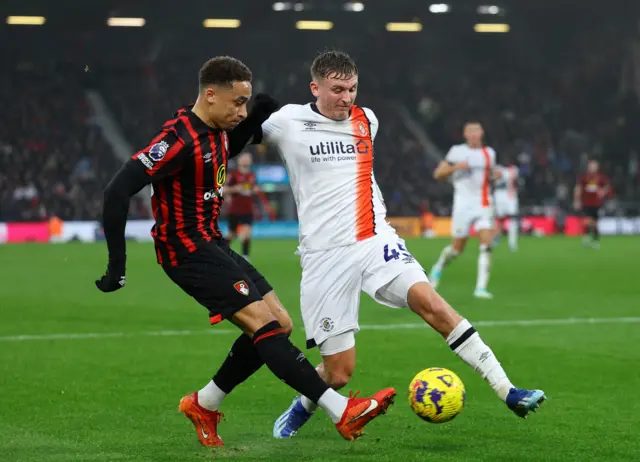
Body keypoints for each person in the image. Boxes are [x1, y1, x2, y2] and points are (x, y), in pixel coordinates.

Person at [94, 56, 395, 447]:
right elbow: (117, 190)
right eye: (237, 103)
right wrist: (117, 265)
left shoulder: (217, 127)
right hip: (185, 250)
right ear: (210, 94)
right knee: (264, 326)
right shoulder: (177, 138)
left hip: (211, 242)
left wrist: (254, 119)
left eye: (245, 103)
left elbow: (225, 149)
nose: (241, 111)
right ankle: (341, 410)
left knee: (281, 324)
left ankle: (204, 403)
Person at [256, 50, 545, 440]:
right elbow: (240, 130)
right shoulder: (287, 121)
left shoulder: (366, 120)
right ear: (316, 87)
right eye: (337, 90)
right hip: (324, 256)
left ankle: (508, 390)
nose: (346, 98)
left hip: (376, 240)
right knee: (339, 373)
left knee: (433, 304)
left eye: (352, 89)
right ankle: (304, 403)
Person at [429, 121, 497, 299]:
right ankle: (439, 266)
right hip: (463, 205)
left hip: (484, 204)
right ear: (465, 134)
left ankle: (480, 288)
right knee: (457, 249)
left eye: (477, 131)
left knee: (487, 245)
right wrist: (456, 167)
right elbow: (438, 174)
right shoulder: (457, 152)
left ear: (482, 133)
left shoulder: (489, 153)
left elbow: (489, 177)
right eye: (470, 131)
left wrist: (495, 175)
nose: (474, 134)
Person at [225, 152, 259, 260]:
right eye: (244, 158)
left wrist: (254, 190)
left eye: (248, 158)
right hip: (235, 210)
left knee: (246, 234)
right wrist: (235, 189)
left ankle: (245, 257)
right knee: (232, 234)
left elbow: (253, 190)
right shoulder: (233, 175)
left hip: (247, 209)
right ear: (239, 161)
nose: (246, 160)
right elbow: (224, 190)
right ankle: (222, 250)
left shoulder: (252, 175)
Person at [573, 159, 610, 249]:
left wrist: (603, 192)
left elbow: (607, 186)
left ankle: (595, 241)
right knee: (587, 221)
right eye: (591, 166)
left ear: (597, 167)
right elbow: (578, 188)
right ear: (588, 167)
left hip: (597, 204)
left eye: (594, 166)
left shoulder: (601, 177)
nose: (593, 167)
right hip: (586, 203)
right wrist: (576, 200)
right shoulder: (584, 177)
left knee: (595, 223)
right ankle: (586, 239)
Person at [493, 163, 520, 251]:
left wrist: (501, 174)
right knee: (500, 218)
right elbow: (494, 177)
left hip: (510, 196)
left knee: (512, 218)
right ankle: (496, 237)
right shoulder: (497, 167)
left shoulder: (514, 169)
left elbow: (514, 180)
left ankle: (512, 242)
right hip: (499, 195)